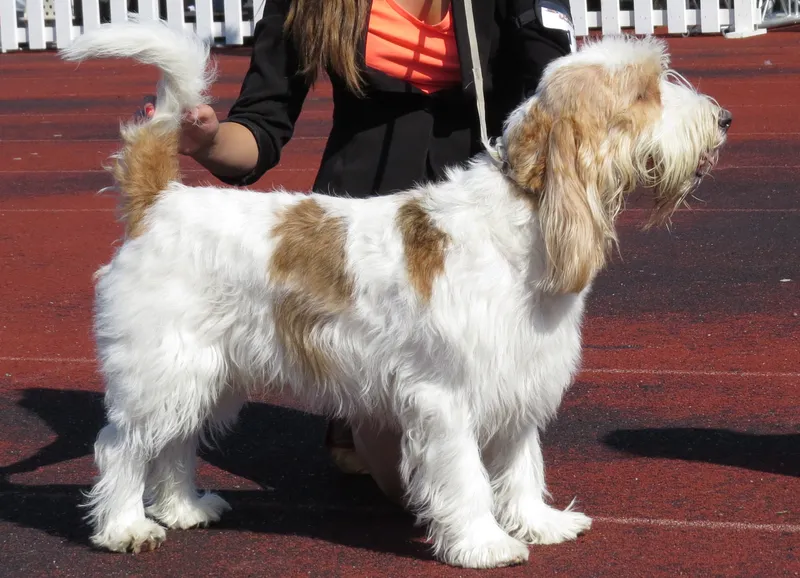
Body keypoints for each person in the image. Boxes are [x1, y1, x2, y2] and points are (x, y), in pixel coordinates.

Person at [142, 0, 575, 504]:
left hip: (485, 223)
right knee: (407, 485)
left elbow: (557, 88)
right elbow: (261, 125)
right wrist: (207, 140)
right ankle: (352, 412)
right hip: (362, 256)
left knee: (494, 406)